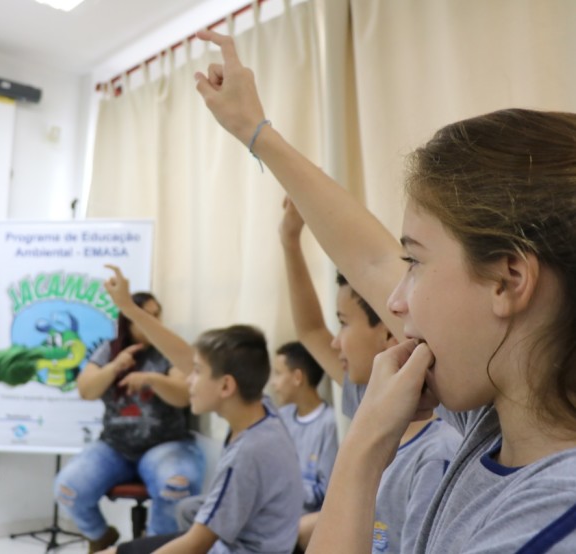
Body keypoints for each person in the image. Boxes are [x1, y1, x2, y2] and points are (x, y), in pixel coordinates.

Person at [194, 29, 576, 552]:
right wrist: (254, 130)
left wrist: (366, 444)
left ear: (508, 280)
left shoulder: (549, 524)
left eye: (415, 262)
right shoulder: (497, 419)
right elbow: (369, 260)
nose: (394, 302)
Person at [280, 198, 459, 552]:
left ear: (390, 333)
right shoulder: (370, 398)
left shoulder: (436, 454)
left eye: (343, 323)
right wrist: (289, 240)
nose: (334, 341)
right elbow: (310, 331)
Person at [98, 324, 304, 554]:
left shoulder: (245, 455)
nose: (188, 380)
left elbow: (196, 545)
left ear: (226, 385)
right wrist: (130, 309)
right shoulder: (262, 409)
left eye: (197, 371)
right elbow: (192, 359)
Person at [53, 287, 205, 553]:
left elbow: (183, 396)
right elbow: (86, 390)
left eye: (157, 315)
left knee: (176, 486)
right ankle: (101, 536)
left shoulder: (167, 350)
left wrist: (152, 379)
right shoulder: (109, 350)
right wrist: (114, 367)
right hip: (114, 448)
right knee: (68, 488)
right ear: (129, 320)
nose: (155, 322)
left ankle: (155, 547)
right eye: (147, 316)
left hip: (166, 445)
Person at [174, 340, 338, 547]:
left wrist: (281, 487)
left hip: (293, 509)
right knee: (189, 509)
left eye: (278, 374)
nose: (273, 383)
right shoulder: (279, 414)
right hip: (262, 498)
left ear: (297, 377)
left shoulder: (328, 424)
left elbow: (325, 490)